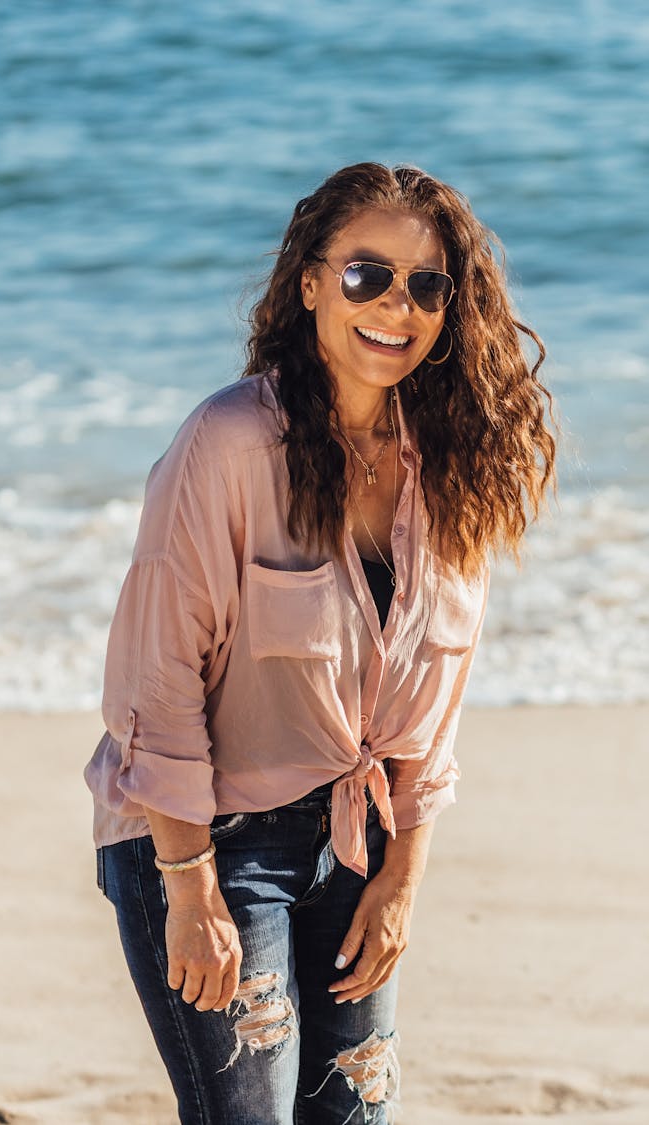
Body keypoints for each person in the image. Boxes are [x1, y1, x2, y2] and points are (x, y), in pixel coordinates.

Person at [84, 162, 555, 1125]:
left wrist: (403, 876)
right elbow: (156, 681)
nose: (397, 305)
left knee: (355, 1117)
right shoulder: (227, 445)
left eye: (427, 285)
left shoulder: (455, 463)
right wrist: (189, 884)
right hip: (208, 842)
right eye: (365, 275)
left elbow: (436, 707)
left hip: (360, 846)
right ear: (310, 283)